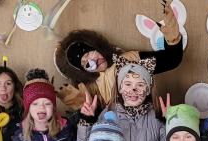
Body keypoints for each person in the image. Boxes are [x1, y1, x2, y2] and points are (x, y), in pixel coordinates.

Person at [53, 1, 183, 109]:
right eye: (85, 63)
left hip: (145, 123)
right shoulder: (91, 88)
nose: (93, 61)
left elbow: (171, 60)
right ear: (82, 71)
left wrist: (172, 37)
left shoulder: (129, 59)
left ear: (96, 46)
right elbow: (94, 119)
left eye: (89, 53)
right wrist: (81, 105)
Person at [77, 59, 166, 141]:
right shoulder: (108, 114)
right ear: (120, 88)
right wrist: (86, 121)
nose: (133, 89)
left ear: (148, 90)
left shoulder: (156, 116)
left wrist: (169, 123)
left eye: (140, 84)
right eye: (128, 84)